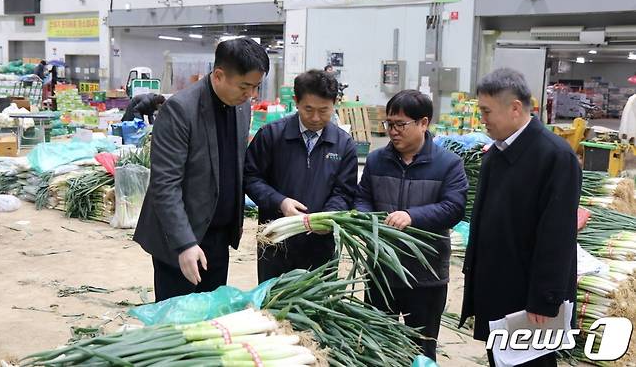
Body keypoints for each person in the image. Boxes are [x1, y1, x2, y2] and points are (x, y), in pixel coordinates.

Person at [459, 68, 580, 367]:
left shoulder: (555, 157)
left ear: (514, 108)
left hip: (529, 298)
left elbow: (557, 236)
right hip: (496, 286)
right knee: (498, 359)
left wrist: (545, 298)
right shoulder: (495, 154)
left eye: (487, 111)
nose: (482, 119)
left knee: (529, 362)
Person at [134, 38, 269, 302]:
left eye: (255, 87)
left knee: (211, 317)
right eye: (245, 86)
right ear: (219, 75)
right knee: (178, 322)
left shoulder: (241, 107)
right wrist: (184, 244)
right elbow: (165, 185)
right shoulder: (180, 110)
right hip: (180, 238)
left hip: (219, 236)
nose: (251, 94)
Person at [355, 90, 468, 361]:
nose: (393, 131)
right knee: (378, 346)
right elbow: (362, 198)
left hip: (426, 275)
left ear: (423, 123)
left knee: (421, 348)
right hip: (382, 272)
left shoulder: (447, 164)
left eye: (400, 125)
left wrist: (412, 216)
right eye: (389, 124)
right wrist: (368, 222)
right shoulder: (376, 160)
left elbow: (454, 208)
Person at [245, 69, 358, 283]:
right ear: (296, 102)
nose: (315, 118)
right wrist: (281, 202)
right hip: (277, 242)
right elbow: (251, 178)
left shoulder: (343, 144)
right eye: (308, 109)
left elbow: (345, 191)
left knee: (318, 309)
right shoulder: (272, 136)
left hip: (320, 245)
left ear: (335, 103)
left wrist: (327, 217)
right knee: (274, 308)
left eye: (324, 110)